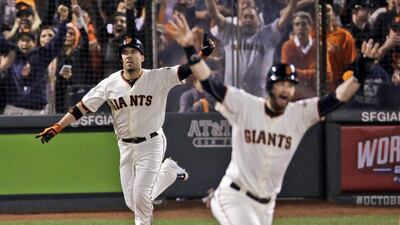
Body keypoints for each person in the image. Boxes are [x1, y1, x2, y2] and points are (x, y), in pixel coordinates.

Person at [167, 14, 378, 225]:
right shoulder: (246, 105)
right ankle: (218, 199)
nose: (286, 88)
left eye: (290, 84)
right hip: (235, 196)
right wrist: (189, 51)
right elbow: (210, 83)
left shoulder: (299, 114)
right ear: (269, 86)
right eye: (281, 83)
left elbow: (336, 99)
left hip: (267, 206)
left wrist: (359, 75)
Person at [35, 32, 215, 224]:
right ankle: (170, 171)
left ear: (142, 57)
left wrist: (202, 55)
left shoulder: (158, 77)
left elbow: (186, 70)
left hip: (151, 142)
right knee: (133, 201)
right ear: (121, 58)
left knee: (140, 197)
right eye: (125, 52)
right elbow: (81, 107)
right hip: (125, 147)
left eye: (133, 51)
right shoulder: (110, 83)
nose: (129, 55)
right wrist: (57, 126)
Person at [205, 0, 297, 97]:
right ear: (240, 19)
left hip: (258, 97)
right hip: (232, 96)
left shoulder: (268, 34)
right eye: (245, 17)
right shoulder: (230, 32)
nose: (248, 19)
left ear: (258, 19)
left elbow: (286, 18)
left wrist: (294, 2)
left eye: (251, 17)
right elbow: (214, 13)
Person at [0, 4, 68, 116]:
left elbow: (58, 41)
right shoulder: (12, 54)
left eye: (28, 40)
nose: (24, 44)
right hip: (12, 109)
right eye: (21, 40)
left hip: (36, 111)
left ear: (34, 42)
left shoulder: (42, 55)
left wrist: (63, 20)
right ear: (17, 42)